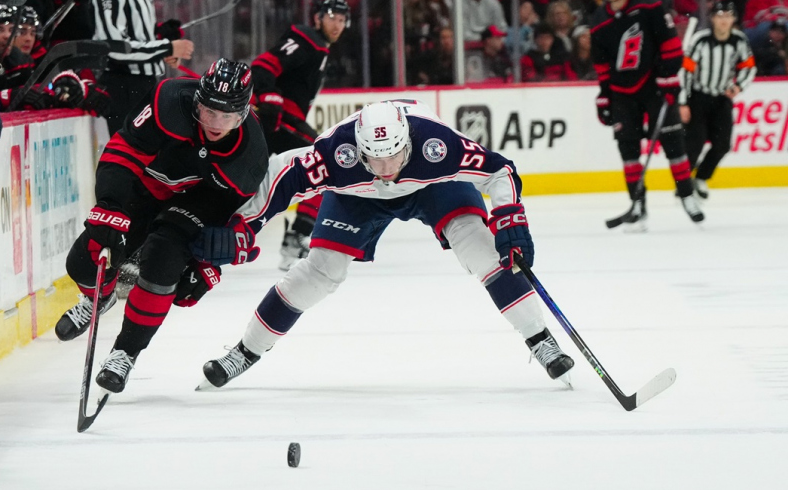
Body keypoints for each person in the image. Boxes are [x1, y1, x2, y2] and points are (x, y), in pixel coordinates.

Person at [190, 100, 576, 390]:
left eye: (393, 155)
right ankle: (244, 351)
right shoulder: (334, 154)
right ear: (358, 150)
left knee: (480, 246)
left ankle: (541, 340)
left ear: (408, 140)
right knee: (320, 273)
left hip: (432, 186)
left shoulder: (436, 145)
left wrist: (510, 216)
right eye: (375, 159)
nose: (387, 169)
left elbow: (498, 170)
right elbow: (280, 178)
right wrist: (244, 227)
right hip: (359, 196)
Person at [52, 59, 269, 394]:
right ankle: (102, 295)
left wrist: (204, 263)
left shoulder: (250, 155)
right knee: (82, 262)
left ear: (243, 114)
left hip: (193, 204)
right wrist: (109, 205)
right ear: (197, 100)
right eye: (209, 111)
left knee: (163, 263)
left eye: (226, 116)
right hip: (144, 188)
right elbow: (124, 151)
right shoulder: (169, 99)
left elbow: (228, 214)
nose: (215, 123)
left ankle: (125, 352)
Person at [250, 0, 349, 271]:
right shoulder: (307, 38)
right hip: (278, 120)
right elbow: (261, 66)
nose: (337, 24)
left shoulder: (320, 48)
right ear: (317, 18)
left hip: (279, 123)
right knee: (326, 162)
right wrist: (269, 96)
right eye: (332, 17)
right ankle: (297, 237)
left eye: (342, 20)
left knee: (245, 183)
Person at [590, 0, 704, 228]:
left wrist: (669, 75)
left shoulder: (650, 6)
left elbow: (670, 43)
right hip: (621, 92)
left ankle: (687, 195)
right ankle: (638, 204)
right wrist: (604, 95)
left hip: (654, 86)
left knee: (674, 144)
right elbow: (601, 63)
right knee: (628, 149)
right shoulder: (598, 20)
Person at [680, 1, 756, 199]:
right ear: (713, 18)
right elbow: (686, 72)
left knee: (722, 144)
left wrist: (738, 86)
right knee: (694, 144)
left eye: (728, 16)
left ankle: (701, 177)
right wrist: (683, 102)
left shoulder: (739, 41)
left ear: (733, 19)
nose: (723, 21)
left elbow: (749, 67)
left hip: (721, 99)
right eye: (720, 16)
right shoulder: (700, 40)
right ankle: (684, 185)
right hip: (698, 97)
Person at [92, 0, 195, 135]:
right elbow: (113, 47)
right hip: (123, 87)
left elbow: (138, 34)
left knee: (152, 151)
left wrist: (162, 38)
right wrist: (166, 48)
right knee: (128, 151)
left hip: (144, 85)